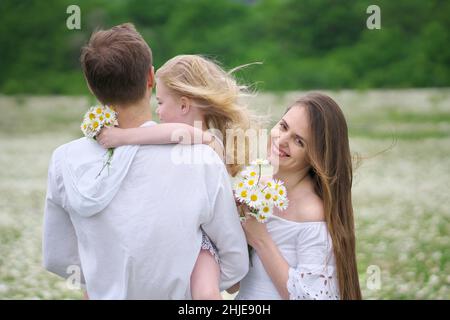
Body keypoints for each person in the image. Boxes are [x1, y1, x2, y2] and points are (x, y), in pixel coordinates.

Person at [42, 23, 249, 299]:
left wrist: (105, 281)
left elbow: (58, 256)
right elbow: (234, 259)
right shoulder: (200, 158)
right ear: (150, 78)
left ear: (92, 87)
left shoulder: (64, 160)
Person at [97, 54, 256, 299]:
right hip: (185, 241)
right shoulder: (194, 142)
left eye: (160, 102)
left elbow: (174, 131)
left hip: (204, 243)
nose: (157, 111)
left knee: (205, 294)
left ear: (183, 105)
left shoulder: (207, 142)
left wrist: (123, 137)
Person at [235, 92, 362, 300]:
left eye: (299, 141)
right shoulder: (257, 190)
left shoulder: (311, 213)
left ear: (316, 157)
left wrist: (261, 240)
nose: (282, 140)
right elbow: (232, 284)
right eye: (283, 126)